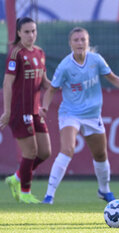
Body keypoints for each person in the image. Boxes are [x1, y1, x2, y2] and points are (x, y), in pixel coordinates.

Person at [39, 27, 119, 204]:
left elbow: (112, 77)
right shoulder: (65, 66)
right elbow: (52, 89)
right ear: (70, 43)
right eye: (76, 40)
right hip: (70, 114)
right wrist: (44, 107)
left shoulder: (96, 60)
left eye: (83, 40)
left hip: (92, 115)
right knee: (67, 149)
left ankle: (104, 191)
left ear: (88, 42)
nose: (80, 43)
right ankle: (49, 195)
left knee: (100, 154)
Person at [1, 17, 52, 204]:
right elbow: (7, 83)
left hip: (35, 110)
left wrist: (58, 84)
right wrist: (7, 112)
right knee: (30, 152)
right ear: (19, 33)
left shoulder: (39, 52)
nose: (31, 35)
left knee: (45, 152)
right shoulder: (16, 53)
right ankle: (25, 192)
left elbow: (45, 82)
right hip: (19, 110)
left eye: (34, 31)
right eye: (27, 32)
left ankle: (16, 177)